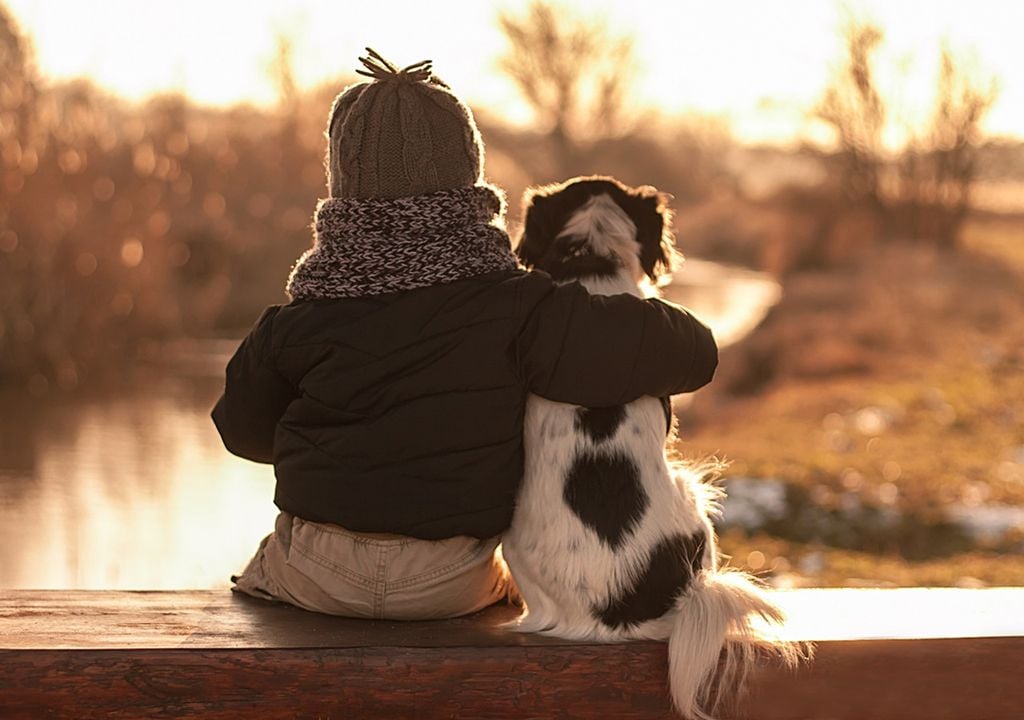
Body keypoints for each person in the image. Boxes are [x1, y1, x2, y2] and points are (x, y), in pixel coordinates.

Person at [212, 49, 718, 620]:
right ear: (468, 173)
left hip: (319, 574)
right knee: (510, 590)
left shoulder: (299, 318)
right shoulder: (520, 308)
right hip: (449, 581)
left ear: (342, 187)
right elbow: (694, 353)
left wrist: (336, 444)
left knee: (260, 568)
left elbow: (240, 432)